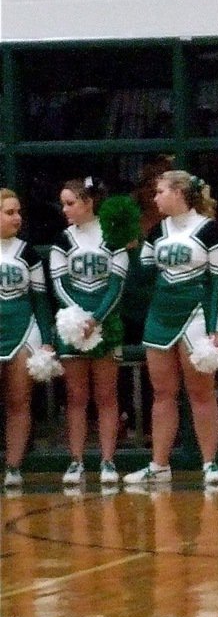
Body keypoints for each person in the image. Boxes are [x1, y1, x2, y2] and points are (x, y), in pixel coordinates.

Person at [124, 170, 218, 489]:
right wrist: (129, 244)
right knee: (162, 393)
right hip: (160, 316)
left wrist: (216, 329)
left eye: (160, 192)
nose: (154, 198)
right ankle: (159, 465)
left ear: (179, 194)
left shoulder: (210, 231)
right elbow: (141, 272)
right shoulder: (158, 231)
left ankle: (209, 463)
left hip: (195, 316)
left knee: (200, 393)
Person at [49, 177, 130, 486]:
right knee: (76, 397)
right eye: (63, 203)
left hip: (105, 323)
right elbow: (59, 284)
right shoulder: (63, 241)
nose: (65, 209)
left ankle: (108, 461)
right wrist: (79, 318)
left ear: (88, 202)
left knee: (107, 396)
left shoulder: (113, 237)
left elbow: (117, 285)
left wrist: (96, 319)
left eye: (70, 203)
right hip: (73, 324)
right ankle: (76, 461)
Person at [1, 188, 56, 489]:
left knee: (18, 401)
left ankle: (13, 467)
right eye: (10, 212)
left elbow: (40, 300)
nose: (17, 218)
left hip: (22, 330)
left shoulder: (28, 253)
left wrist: (47, 340)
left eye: (19, 212)